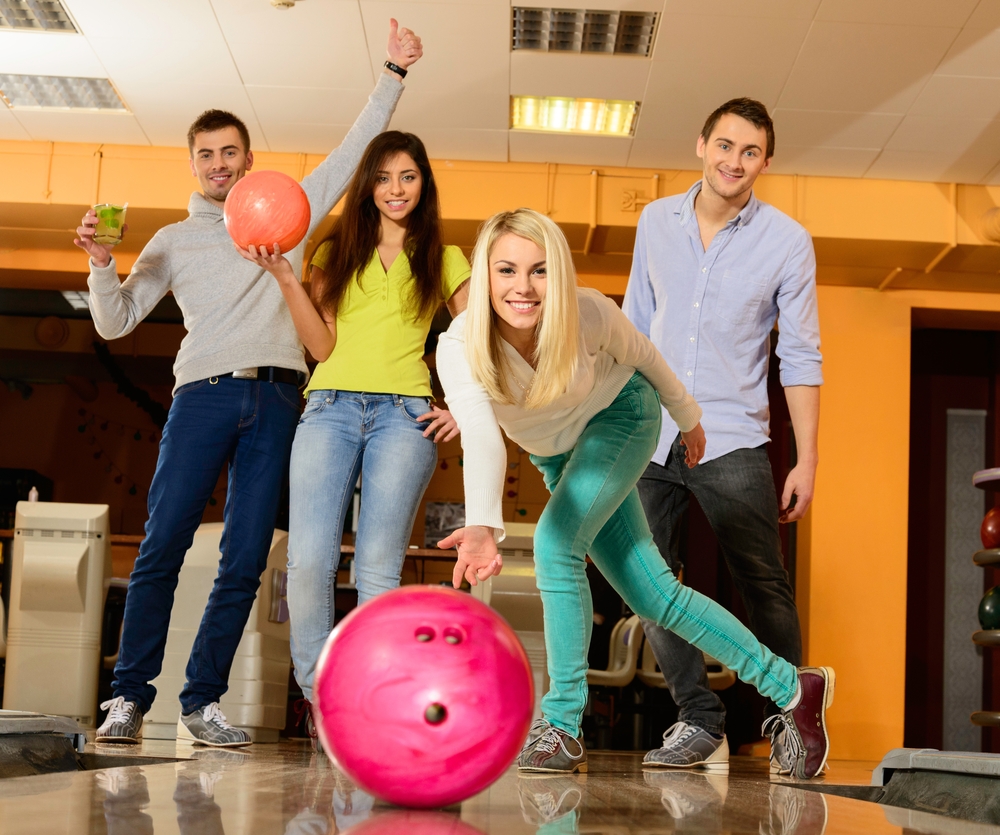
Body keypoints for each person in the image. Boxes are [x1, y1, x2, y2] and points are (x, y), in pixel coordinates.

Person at [73, 20, 423, 747]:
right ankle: (128, 699)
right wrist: (102, 264)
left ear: (248, 159)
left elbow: (352, 151)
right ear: (193, 165)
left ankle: (202, 701)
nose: (219, 163)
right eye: (206, 155)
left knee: (245, 557)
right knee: (161, 546)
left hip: (277, 400)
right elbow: (117, 322)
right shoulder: (173, 239)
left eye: (230, 152)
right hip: (201, 395)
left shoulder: (289, 216)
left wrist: (392, 72)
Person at [434, 207, 834, 781]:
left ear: (559, 275)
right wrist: (481, 526)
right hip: (559, 456)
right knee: (656, 598)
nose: (522, 287)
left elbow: (646, 356)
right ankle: (794, 687)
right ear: (484, 276)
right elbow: (481, 437)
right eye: (506, 270)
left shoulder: (588, 313)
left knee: (555, 544)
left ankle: (563, 725)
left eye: (540, 270)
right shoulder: (459, 347)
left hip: (622, 420)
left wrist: (689, 419)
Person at [238, 131, 470, 746]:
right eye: (383, 177)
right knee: (308, 562)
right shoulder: (334, 249)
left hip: (406, 415)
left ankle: (371, 699)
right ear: (367, 184)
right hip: (331, 407)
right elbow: (320, 347)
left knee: (377, 570)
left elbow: (480, 339)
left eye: (408, 177)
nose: (396, 190)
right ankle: (323, 701)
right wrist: (288, 277)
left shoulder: (445, 258)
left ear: (424, 183)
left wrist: (471, 412)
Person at [622, 97, 822, 772]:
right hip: (649, 432)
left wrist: (807, 456)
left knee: (763, 583)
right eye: (725, 145)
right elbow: (633, 328)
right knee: (645, 577)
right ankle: (697, 716)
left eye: (750, 151)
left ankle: (792, 714)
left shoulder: (788, 242)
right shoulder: (655, 221)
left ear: (766, 161)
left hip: (734, 434)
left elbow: (800, 355)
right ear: (700, 144)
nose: (734, 161)